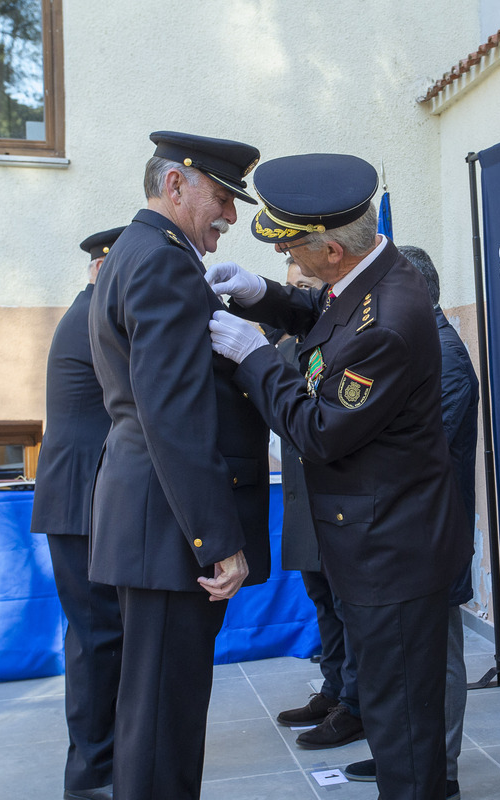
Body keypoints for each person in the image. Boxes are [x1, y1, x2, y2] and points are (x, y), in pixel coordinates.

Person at [205, 153, 471, 800]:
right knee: (389, 714)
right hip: (377, 546)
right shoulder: (369, 276)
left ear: (329, 247)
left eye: (293, 246)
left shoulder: (392, 322)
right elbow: (326, 312)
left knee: (404, 732)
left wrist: (256, 358)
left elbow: (318, 431)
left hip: (392, 555)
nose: (288, 255)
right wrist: (262, 294)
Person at [87, 131, 271, 800]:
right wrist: (217, 540)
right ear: (175, 186)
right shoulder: (164, 262)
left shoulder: (134, 254)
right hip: (169, 525)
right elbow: (175, 415)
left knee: (155, 713)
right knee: (165, 721)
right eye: (221, 198)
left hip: (149, 516)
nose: (228, 215)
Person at [343, 245, 479, 800]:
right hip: (409, 534)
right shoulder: (424, 346)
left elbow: (423, 452)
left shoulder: (444, 355)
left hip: (433, 534)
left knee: (440, 655)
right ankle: (405, 752)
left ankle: (439, 768)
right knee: (406, 657)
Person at [31, 225, 125, 800]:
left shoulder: (91, 312)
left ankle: (105, 759)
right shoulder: (96, 317)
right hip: (81, 501)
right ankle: (91, 775)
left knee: (101, 637)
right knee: (97, 641)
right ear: (107, 268)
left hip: (84, 498)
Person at [271, 258, 366, 750]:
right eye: (293, 292)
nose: (299, 302)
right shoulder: (291, 345)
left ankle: (354, 703)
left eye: (306, 289)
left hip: (335, 498)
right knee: (323, 601)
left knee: (348, 606)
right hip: (302, 497)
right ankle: (333, 690)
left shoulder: (343, 343)